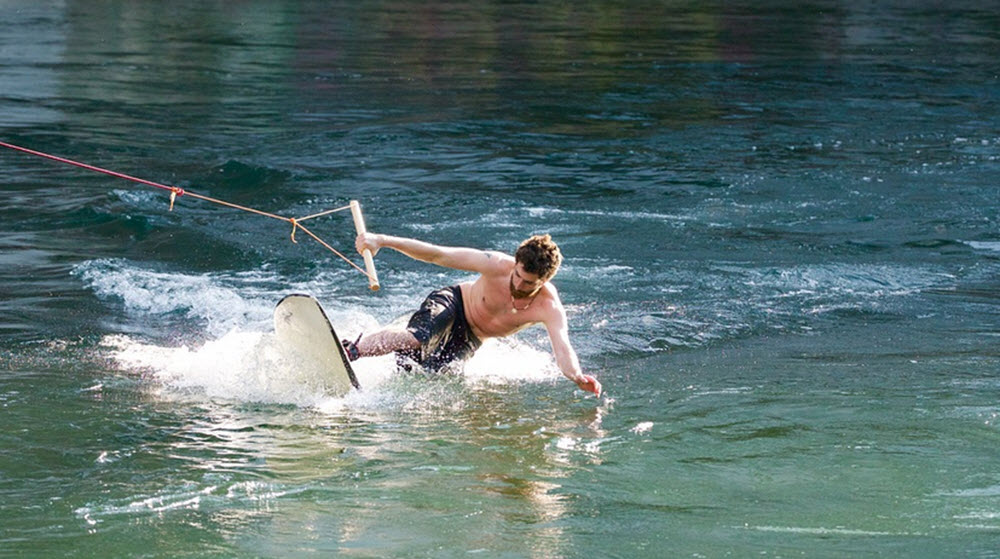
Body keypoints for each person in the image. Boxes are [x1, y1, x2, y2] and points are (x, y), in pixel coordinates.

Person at [344, 232, 602, 396]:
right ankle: (353, 349)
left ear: (544, 281)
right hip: (454, 304)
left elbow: (563, 348)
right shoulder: (496, 264)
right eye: (518, 276)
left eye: (529, 284)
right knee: (418, 338)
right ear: (515, 264)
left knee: (427, 376)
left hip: (470, 339)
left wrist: (577, 376)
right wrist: (382, 241)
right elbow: (437, 254)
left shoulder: (549, 306)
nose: (519, 285)